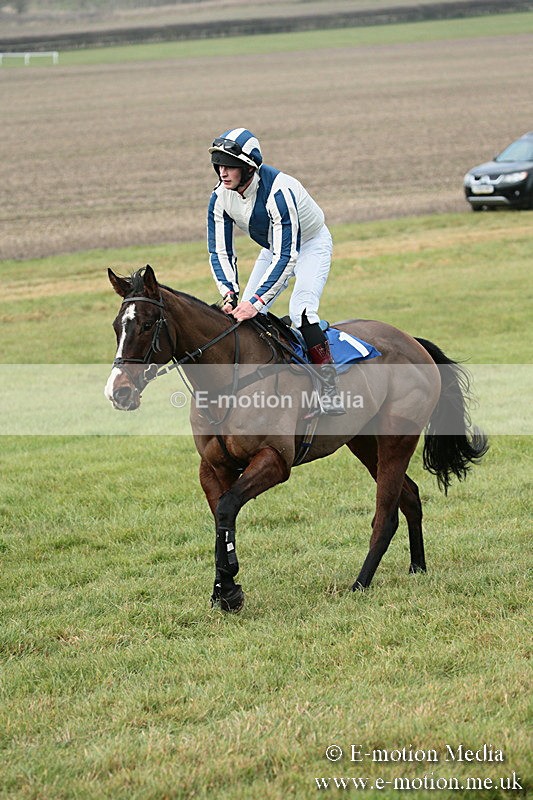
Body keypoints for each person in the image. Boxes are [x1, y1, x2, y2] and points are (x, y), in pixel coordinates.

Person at [207, 127, 344, 415]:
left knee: (301, 311)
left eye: (230, 166)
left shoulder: (278, 192)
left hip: (310, 244)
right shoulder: (219, 197)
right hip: (273, 247)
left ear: (248, 168)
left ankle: (330, 389)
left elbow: (287, 256)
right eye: (219, 164)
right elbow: (220, 251)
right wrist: (229, 294)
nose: (223, 172)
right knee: (241, 317)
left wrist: (255, 303)